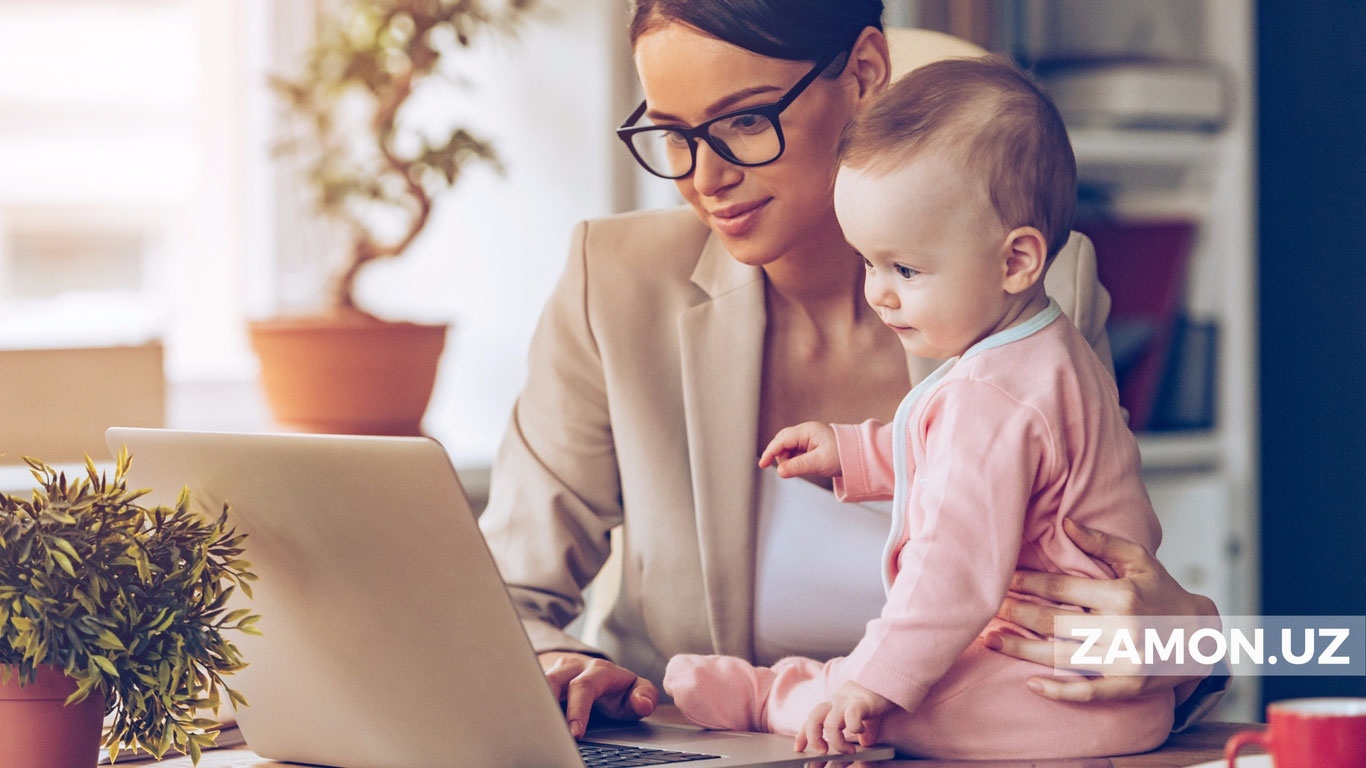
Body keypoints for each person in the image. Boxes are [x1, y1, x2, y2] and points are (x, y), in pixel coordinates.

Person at [476, 0, 1224, 746]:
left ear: (865, 73)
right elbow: (500, 597)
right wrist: (564, 666)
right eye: (674, 134)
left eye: (746, 120)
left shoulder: (1028, 293)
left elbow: (1092, 568)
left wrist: (1197, 640)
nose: (705, 177)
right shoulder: (613, 284)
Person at [663, 55, 1171, 760]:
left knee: (890, 707)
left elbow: (952, 572)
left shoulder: (988, 394)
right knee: (905, 686)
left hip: (1050, 690)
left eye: (904, 268)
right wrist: (855, 452)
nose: (878, 291)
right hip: (1112, 681)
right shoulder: (1047, 351)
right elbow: (975, 463)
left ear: (1016, 262)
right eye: (868, 262)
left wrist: (870, 684)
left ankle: (775, 697)